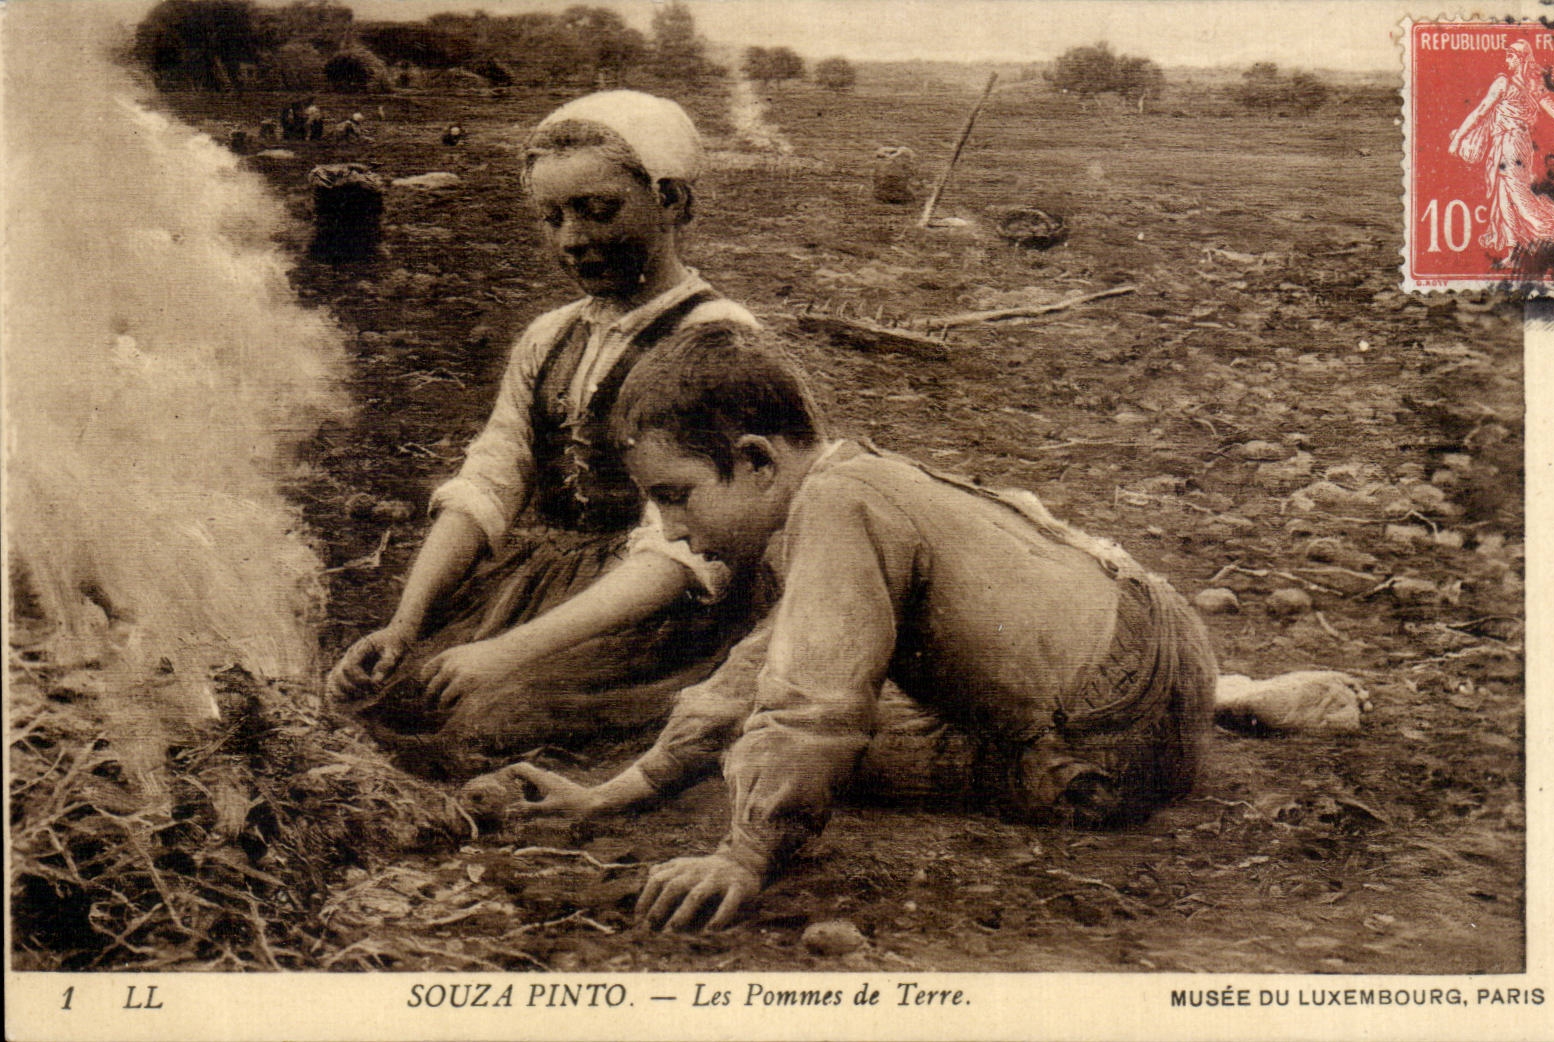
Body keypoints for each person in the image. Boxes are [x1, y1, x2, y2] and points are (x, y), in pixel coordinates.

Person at [462, 324, 1221, 929]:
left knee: (827, 742)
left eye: (678, 496)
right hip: (1168, 649)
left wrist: (745, 854)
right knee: (791, 705)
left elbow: (808, 699)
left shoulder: (831, 508)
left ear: (757, 460)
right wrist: (620, 790)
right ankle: (1244, 697)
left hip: (1103, 759)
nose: (674, 529)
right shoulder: (850, 474)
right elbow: (768, 656)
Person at [327, 93, 761, 778]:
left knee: (484, 719)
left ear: (671, 201)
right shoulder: (550, 336)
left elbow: (682, 550)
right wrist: (405, 624)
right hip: (542, 579)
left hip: (660, 604)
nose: (571, 239)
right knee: (384, 686)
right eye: (552, 217)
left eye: (598, 209)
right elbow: (491, 480)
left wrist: (506, 652)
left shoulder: (716, 341)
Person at [1448, 39, 1554, 267]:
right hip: (1513, 144)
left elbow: (1480, 112)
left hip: (1511, 144)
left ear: (1520, 59)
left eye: (1510, 56)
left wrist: (1458, 139)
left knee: (1518, 196)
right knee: (1504, 196)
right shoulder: (1530, 86)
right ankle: (1514, 253)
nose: (1506, 60)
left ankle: (1553, 232)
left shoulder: (1506, 83)